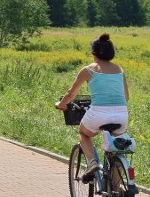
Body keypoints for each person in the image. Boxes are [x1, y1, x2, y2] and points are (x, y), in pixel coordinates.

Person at [55, 33, 129, 179]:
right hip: (121, 115)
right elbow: (126, 97)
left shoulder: (88, 70)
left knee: (83, 133)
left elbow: (71, 94)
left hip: (99, 113)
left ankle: (92, 162)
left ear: (94, 54)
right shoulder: (120, 70)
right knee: (115, 149)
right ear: (111, 53)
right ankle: (117, 195)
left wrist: (61, 104)